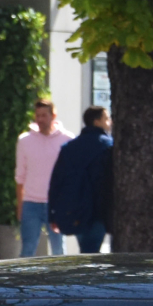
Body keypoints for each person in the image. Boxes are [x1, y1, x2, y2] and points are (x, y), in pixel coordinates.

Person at [47, 106, 114, 254]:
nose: (110, 122)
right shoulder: (108, 146)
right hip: (99, 211)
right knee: (91, 252)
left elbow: (56, 182)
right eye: (106, 119)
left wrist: (52, 214)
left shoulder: (69, 148)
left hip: (75, 209)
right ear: (97, 122)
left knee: (86, 250)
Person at [12, 97, 68, 256]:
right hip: (31, 203)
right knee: (27, 250)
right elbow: (20, 176)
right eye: (38, 115)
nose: (40, 119)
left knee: (58, 250)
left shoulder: (67, 140)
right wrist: (20, 205)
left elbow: (70, 176)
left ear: (53, 116)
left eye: (44, 115)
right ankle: (24, 280)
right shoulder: (25, 140)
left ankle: (61, 280)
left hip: (56, 203)